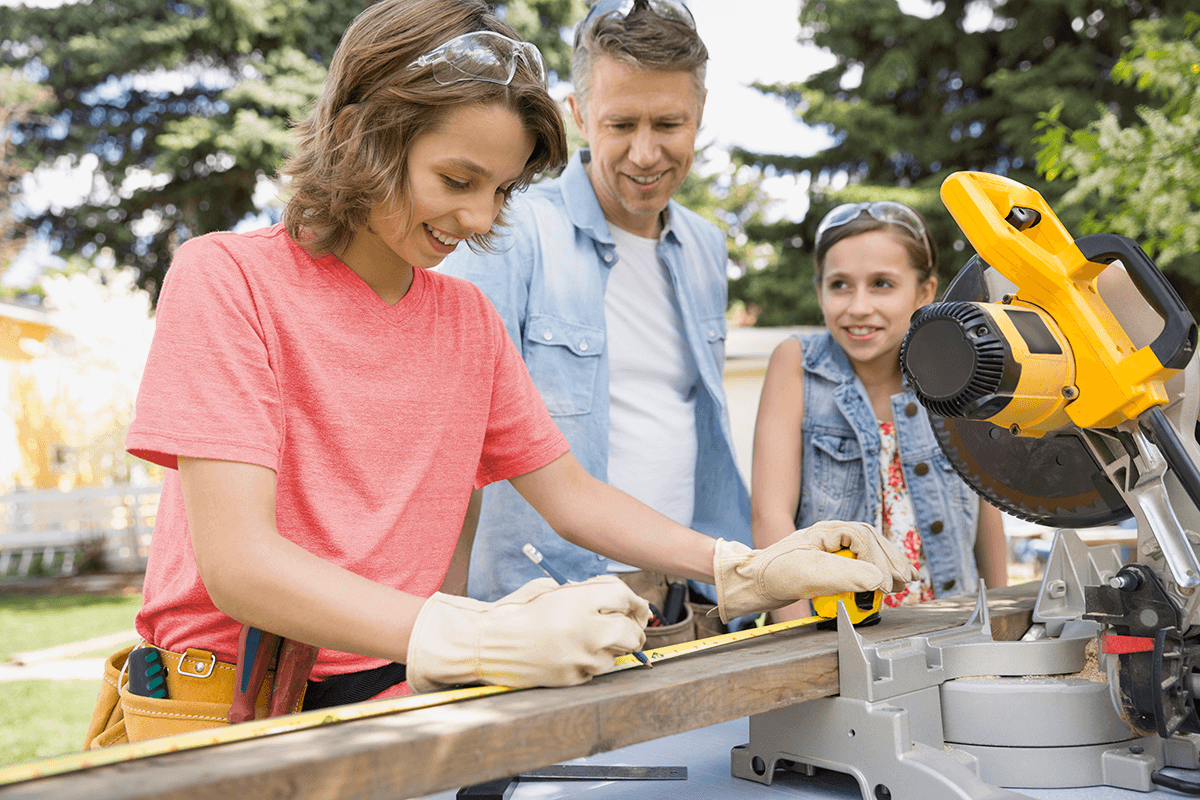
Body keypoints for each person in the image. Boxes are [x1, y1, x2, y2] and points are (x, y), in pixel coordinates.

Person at [84, 0, 913, 749]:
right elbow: (240, 565)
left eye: (503, 191)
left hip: (400, 692)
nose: (480, 220)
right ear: (363, 133)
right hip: (229, 708)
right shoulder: (226, 279)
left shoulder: (464, 320)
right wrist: (474, 635)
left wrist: (743, 567)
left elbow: (572, 494)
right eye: (457, 181)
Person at [439, 0, 751, 630]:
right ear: (578, 115)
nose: (645, 153)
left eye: (669, 123)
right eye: (620, 124)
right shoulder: (510, 230)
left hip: (689, 597)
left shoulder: (706, 247)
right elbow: (455, 440)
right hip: (549, 600)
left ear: (701, 112)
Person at [750, 201, 1009, 622]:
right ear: (819, 291)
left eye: (882, 284)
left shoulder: (957, 372)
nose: (858, 307)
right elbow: (770, 515)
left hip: (951, 630)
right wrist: (798, 642)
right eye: (839, 285)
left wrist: (1000, 623)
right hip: (836, 637)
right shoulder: (796, 364)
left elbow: (987, 506)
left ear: (925, 292)